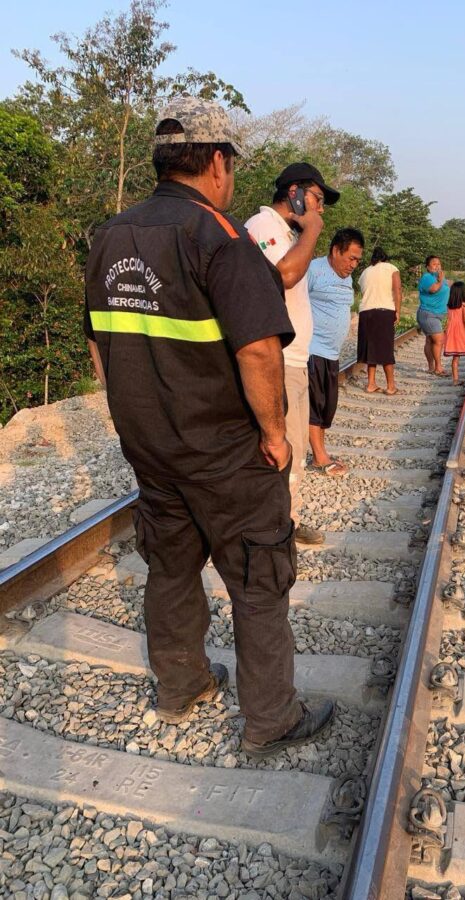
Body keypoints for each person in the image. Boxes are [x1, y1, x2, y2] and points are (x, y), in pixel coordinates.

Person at [83, 97, 334, 758]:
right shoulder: (219, 238)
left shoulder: (111, 236)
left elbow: (100, 345)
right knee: (258, 578)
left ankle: (181, 685)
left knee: (170, 567)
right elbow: (258, 351)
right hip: (223, 451)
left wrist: (135, 414)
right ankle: (271, 719)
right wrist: (275, 436)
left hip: (151, 448)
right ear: (218, 162)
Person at [246, 162, 340, 544]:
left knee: (295, 449)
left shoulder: (286, 233)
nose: (320, 208)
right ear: (294, 193)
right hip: (276, 360)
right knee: (278, 450)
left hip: (296, 359)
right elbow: (284, 274)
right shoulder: (263, 226)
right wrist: (313, 229)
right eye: (317, 198)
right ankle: (272, 529)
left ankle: (288, 520)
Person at [306, 228, 364, 475]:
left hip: (332, 353)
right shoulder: (313, 269)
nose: (353, 265)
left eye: (357, 260)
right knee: (314, 404)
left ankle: (321, 451)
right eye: (350, 258)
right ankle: (319, 457)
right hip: (312, 348)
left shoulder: (346, 278)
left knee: (327, 407)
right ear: (335, 251)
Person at [357, 247, 402, 395]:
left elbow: (364, 291)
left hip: (365, 312)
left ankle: (371, 384)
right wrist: (398, 311)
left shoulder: (365, 272)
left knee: (371, 348)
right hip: (384, 311)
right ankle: (390, 386)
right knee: (385, 348)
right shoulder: (391, 268)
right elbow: (397, 290)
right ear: (385, 258)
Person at [417, 255, 450, 376]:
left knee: (430, 340)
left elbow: (447, 289)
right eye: (434, 264)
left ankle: (431, 367)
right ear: (428, 267)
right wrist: (440, 281)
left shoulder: (440, 278)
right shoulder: (427, 278)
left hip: (437, 314)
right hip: (428, 314)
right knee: (439, 340)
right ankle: (438, 368)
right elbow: (433, 289)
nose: (437, 266)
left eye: (439, 264)